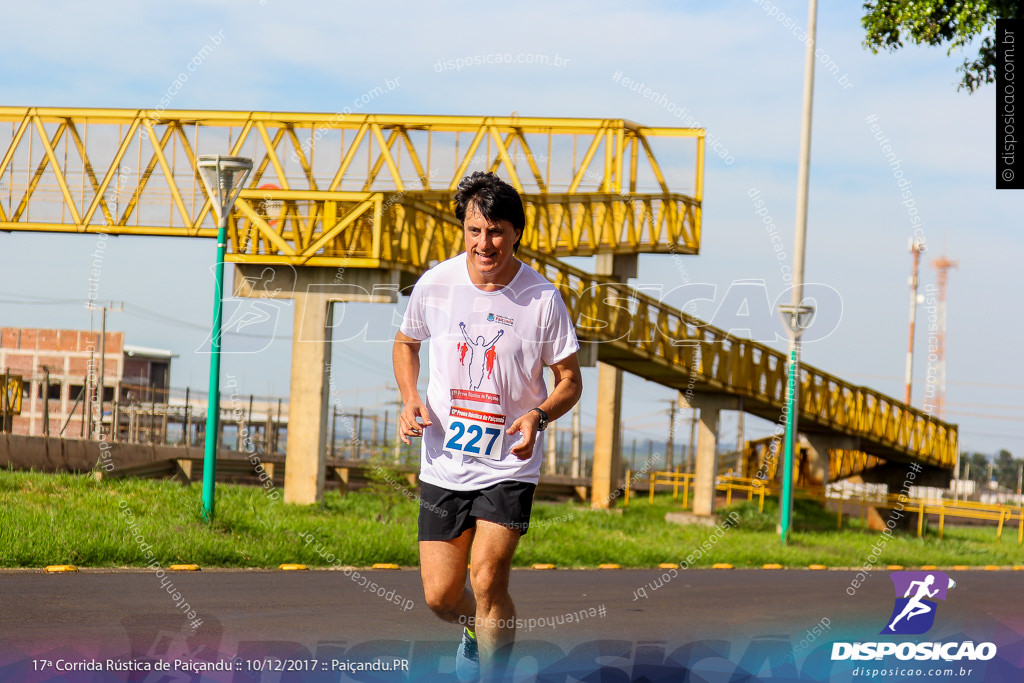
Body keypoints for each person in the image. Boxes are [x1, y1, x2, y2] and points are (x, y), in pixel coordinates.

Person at [393, 171, 583, 681]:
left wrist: (539, 415)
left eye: (497, 231)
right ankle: (478, 629)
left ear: (516, 232)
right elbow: (405, 342)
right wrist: (411, 397)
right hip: (443, 463)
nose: (485, 243)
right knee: (439, 597)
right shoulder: (436, 284)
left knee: (487, 576)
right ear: (463, 231)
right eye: (475, 230)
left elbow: (569, 380)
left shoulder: (542, 300)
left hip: (508, 464)